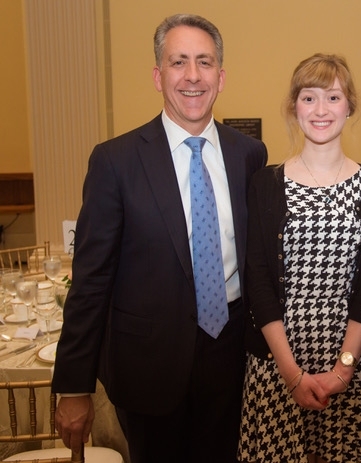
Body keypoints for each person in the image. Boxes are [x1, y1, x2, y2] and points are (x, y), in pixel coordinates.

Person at [51, 14, 268, 463]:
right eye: (178, 62)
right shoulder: (115, 161)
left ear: (221, 77)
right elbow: (90, 282)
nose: (193, 76)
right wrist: (74, 386)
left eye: (204, 63)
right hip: (146, 365)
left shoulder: (249, 155)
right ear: (157, 75)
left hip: (231, 358)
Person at [238, 53, 361, 463]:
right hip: (277, 365)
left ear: (350, 107)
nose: (321, 110)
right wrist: (292, 374)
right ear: (294, 107)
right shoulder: (264, 184)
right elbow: (258, 282)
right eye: (308, 98)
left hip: (351, 361)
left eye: (332, 97)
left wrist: (343, 369)